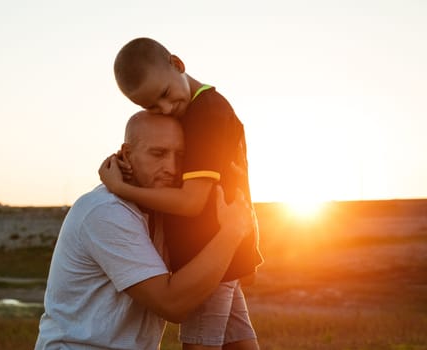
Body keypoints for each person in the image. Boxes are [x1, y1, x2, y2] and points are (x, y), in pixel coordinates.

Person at [35, 111, 255, 350]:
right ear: (128, 154)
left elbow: (236, 281)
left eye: (181, 156)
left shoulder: (168, 212)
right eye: (158, 154)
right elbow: (172, 304)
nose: (171, 167)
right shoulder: (105, 211)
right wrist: (232, 232)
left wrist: (232, 194)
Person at [100, 37, 263, 349]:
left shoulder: (206, 114)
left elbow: (192, 202)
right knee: (239, 344)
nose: (165, 109)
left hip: (206, 256)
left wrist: (122, 189)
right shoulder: (201, 109)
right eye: (151, 106)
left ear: (178, 64)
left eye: (164, 94)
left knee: (200, 344)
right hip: (221, 253)